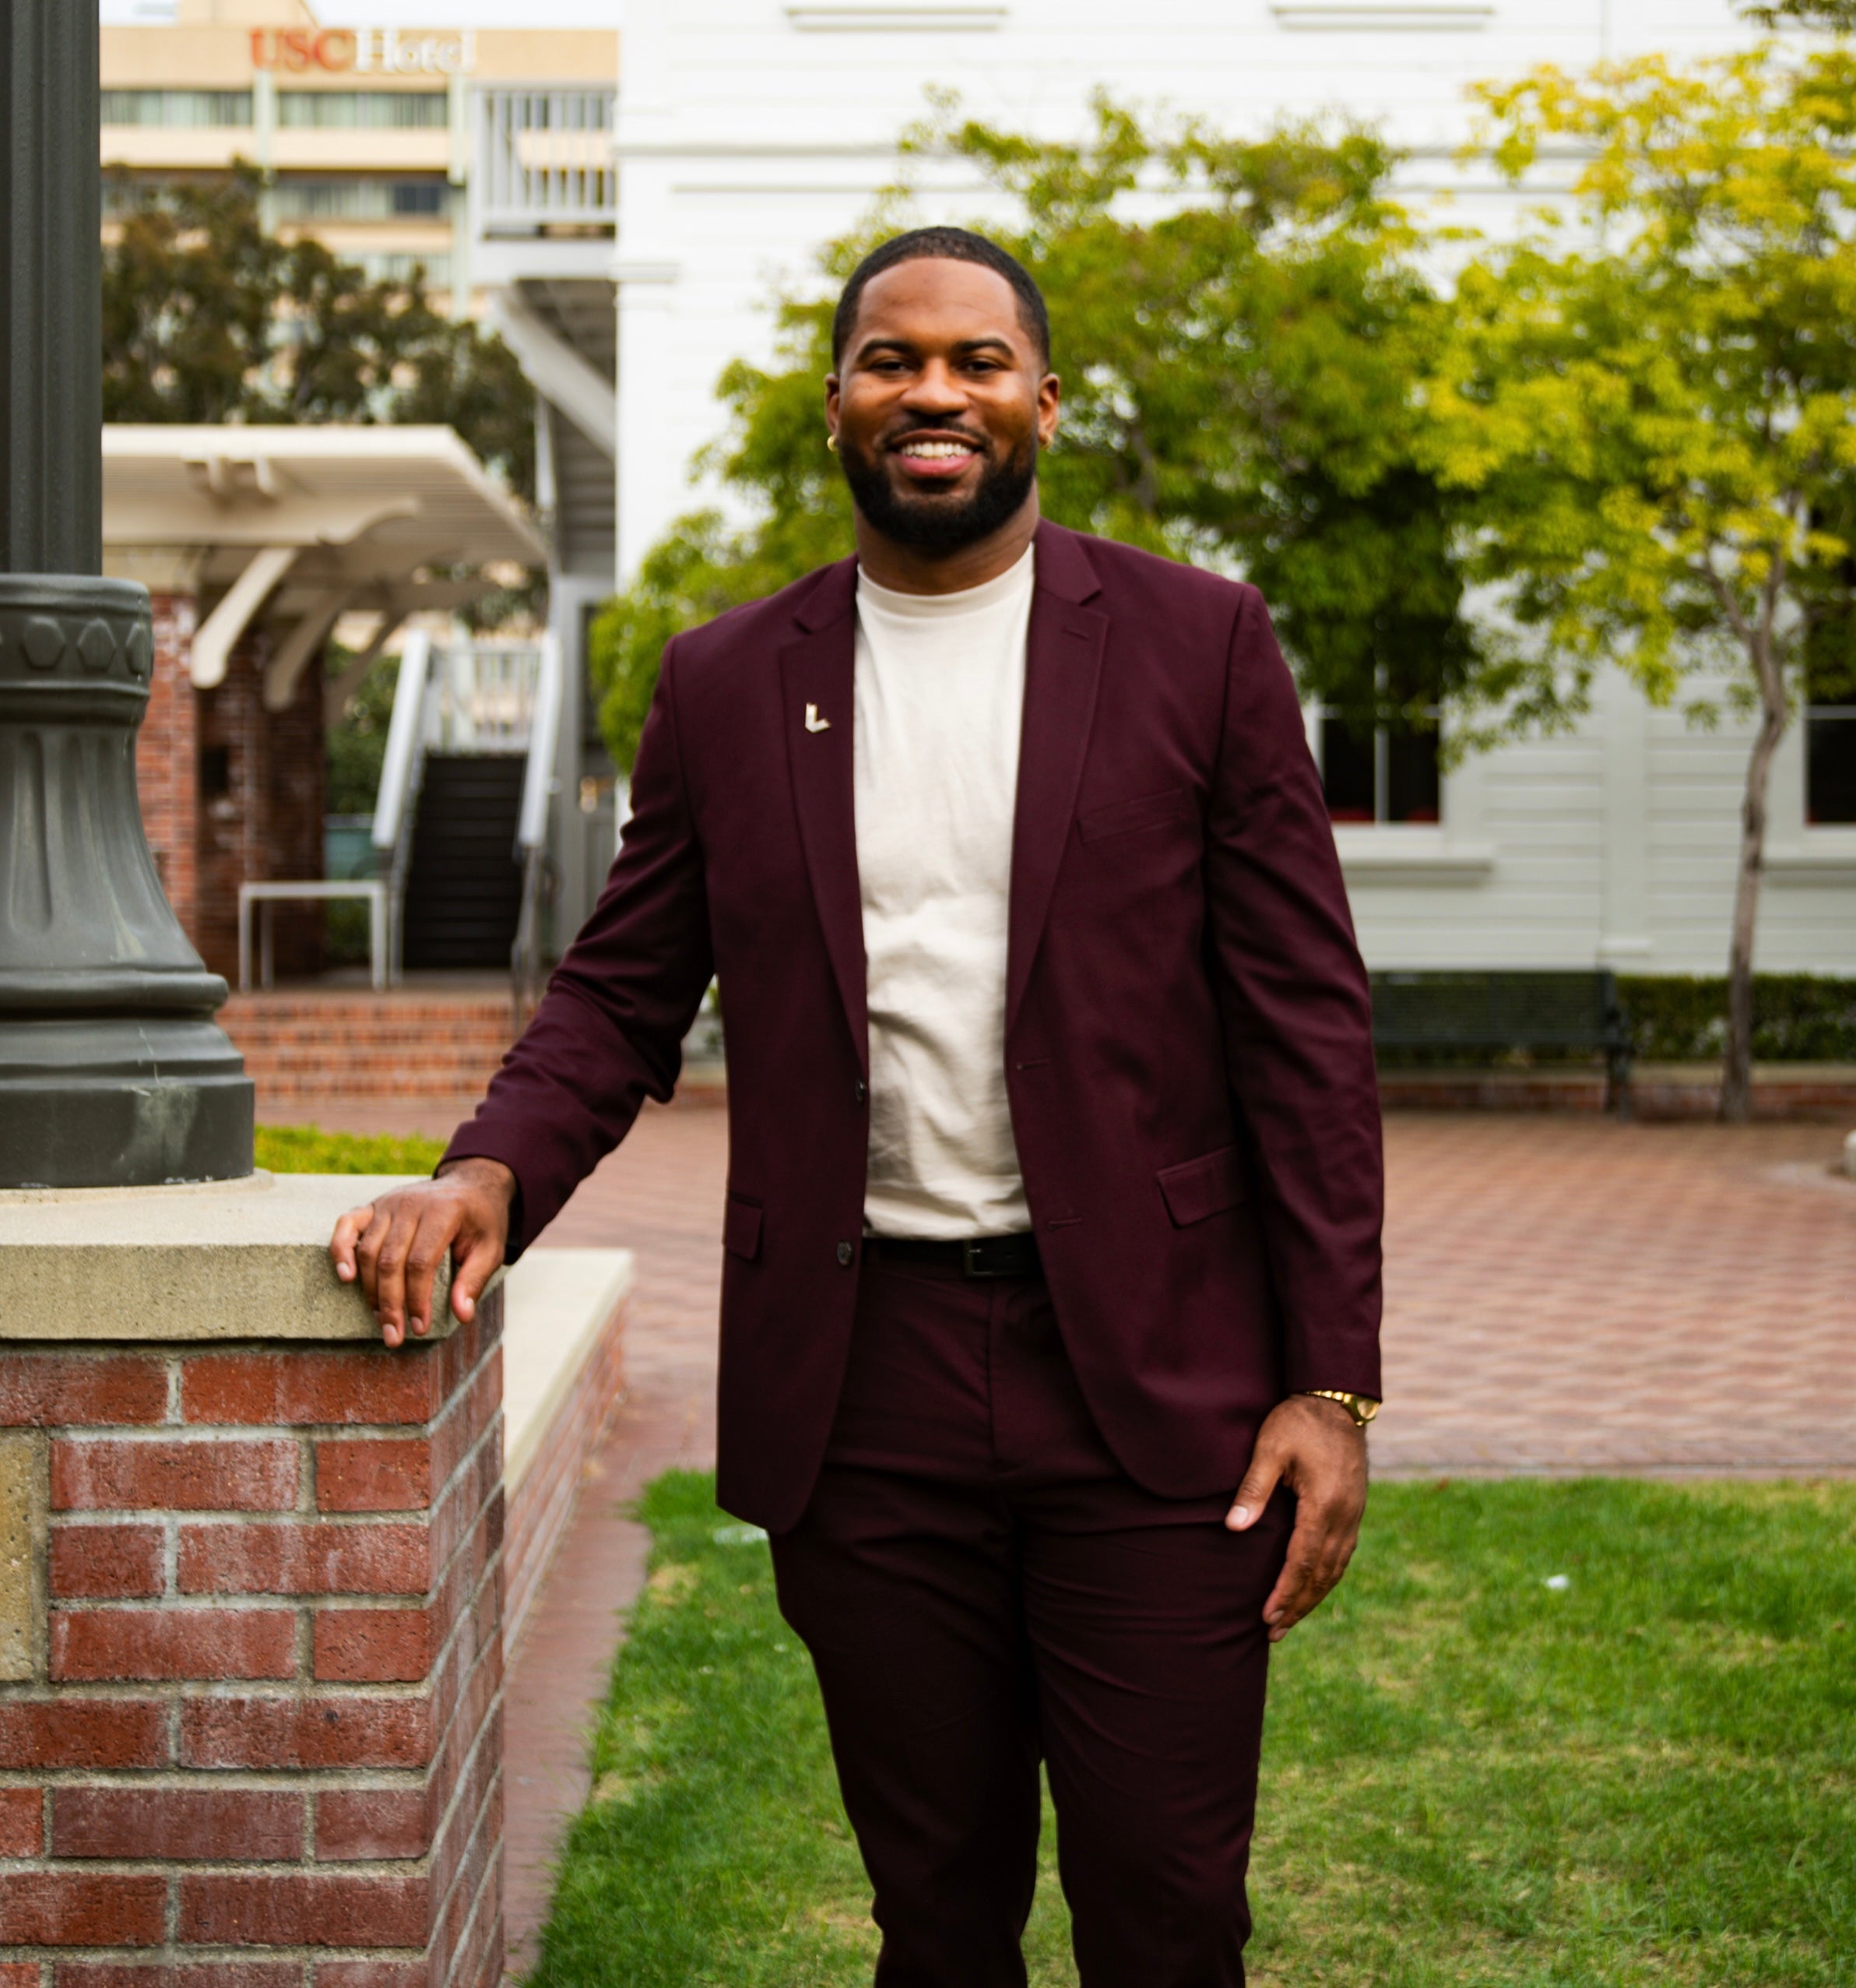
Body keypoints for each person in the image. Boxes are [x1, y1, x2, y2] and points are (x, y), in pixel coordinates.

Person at [331, 225, 1383, 1988]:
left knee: (1169, 1907)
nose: (935, 392)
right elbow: (619, 985)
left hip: (1153, 1376)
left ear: (1044, 400)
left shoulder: (1199, 642)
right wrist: (482, 1172)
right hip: (866, 1377)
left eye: (978, 360)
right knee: (935, 1914)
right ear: (838, 405)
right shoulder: (728, 680)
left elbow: (1304, 1026)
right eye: (894, 359)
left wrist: (1329, 1377)